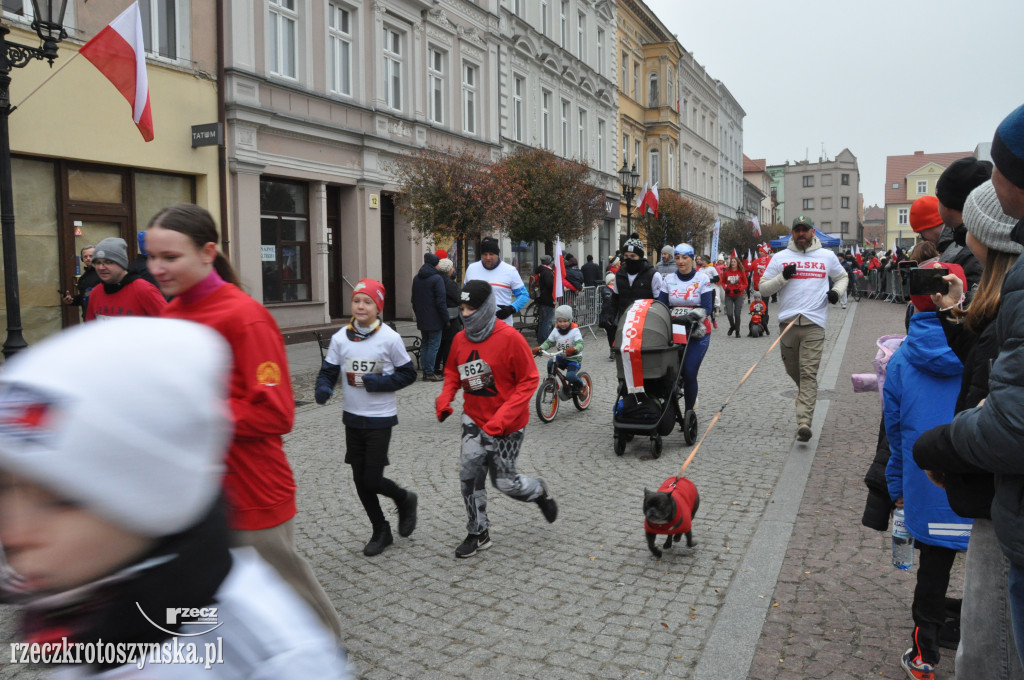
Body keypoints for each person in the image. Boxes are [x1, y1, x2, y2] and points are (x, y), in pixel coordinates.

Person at [0, 318, 350, 678]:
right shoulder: (73, 610)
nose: (13, 534)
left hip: (252, 490)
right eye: (3, 488)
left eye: (60, 497)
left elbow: (274, 410)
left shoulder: (270, 659)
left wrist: (204, 423)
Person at [144, 203, 342, 639]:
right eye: (151, 256)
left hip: (251, 489)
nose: (156, 268)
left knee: (286, 595)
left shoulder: (244, 317)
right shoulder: (172, 314)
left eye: (169, 257)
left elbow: (275, 412)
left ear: (207, 252)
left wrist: (198, 411)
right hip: (195, 492)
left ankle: (326, 659)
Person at [910, 103, 1024, 670]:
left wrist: (942, 447)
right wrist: (957, 316)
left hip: (1003, 494)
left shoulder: (1010, 290)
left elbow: (1007, 414)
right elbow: (985, 366)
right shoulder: (994, 290)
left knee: (989, 652)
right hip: (998, 492)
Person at [884, 264, 970, 680]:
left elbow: (895, 433)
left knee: (933, 571)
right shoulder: (986, 346)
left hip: (929, 482)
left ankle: (925, 654)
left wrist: (897, 488)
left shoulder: (900, 360)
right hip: (982, 480)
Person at [435, 280, 558, 559]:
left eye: (471, 309)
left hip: (509, 425)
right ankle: (479, 532)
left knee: (504, 482)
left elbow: (529, 381)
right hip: (474, 419)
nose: (465, 314)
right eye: (461, 308)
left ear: (486, 308)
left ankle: (538, 491)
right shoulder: (460, 339)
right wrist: (445, 399)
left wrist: (502, 419)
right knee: (468, 476)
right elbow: (454, 372)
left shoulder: (511, 338)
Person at [315, 279, 419, 557]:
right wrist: (323, 388)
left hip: (380, 419)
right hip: (352, 419)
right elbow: (328, 371)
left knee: (372, 479)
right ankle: (380, 529)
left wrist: (380, 383)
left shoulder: (389, 338)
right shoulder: (340, 338)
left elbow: (408, 373)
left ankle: (404, 498)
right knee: (360, 480)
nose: (361, 306)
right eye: (356, 301)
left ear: (378, 307)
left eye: (367, 301)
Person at [757, 215, 848, 442]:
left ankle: (804, 422)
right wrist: (782, 278)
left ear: (812, 232)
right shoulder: (780, 258)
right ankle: (805, 397)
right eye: (797, 230)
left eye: (804, 230)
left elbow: (842, 277)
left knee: (808, 373)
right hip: (788, 324)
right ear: (792, 233)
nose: (801, 234)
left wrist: (836, 293)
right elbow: (763, 289)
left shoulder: (827, 256)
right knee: (793, 371)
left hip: (814, 324)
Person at [658, 243, 713, 412]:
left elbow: (708, 307)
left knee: (689, 372)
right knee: (668, 373)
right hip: (675, 331)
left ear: (692, 258)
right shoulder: (669, 280)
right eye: (677, 258)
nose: (680, 261)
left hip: (697, 332)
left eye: (685, 258)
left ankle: (690, 413)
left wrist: (690, 317)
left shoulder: (702, 279)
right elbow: (661, 304)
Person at [935, 156, 991, 296]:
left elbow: (977, 310)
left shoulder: (975, 247)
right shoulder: (969, 240)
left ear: (947, 204)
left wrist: (950, 308)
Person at [85, 237, 166, 321]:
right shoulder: (96, 293)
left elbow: (170, 325)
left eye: (108, 262)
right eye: (98, 263)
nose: (101, 267)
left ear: (121, 264)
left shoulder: (144, 290)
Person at [464, 236, 530, 325]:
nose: (488, 258)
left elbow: (523, 295)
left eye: (491, 254)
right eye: (485, 254)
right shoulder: (472, 268)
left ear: (497, 254)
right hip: (477, 325)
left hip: (502, 325)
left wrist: (512, 308)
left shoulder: (510, 270)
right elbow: (465, 293)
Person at [411, 252, 448, 381]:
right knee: (433, 345)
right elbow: (441, 302)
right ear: (435, 264)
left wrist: (418, 314)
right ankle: (429, 372)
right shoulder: (437, 279)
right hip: (435, 318)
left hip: (422, 317)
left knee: (425, 344)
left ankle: (426, 371)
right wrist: (445, 318)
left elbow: (413, 300)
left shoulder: (417, 278)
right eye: (438, 263)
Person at [532, 304, 585, 390]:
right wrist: (540, 348)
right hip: (562, 357)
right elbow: (549, 342)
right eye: (560, 321)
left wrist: (575, 349)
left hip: (574, 359)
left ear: (570, 320)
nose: (562, 324)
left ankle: (582, 387)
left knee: (570, 376)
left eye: (565, 321)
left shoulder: (575, 331)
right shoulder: (556, 330)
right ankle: (552, 381)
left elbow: (580, 344)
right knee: (550, 362)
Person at [612, 234, 664, 321]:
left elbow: (659, 303)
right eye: (626, 256)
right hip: (624, 322)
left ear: (640, 257)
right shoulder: (620, 274)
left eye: (633, 256)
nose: (629, 259)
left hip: (646, 323)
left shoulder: (653, 275)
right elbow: (614, 299)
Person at [436, 257, 462, 374]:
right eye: (452, 267)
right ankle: (447, 366)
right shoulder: (449, 283)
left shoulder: (436, 280)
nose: (453, 269)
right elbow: (458, 297)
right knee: (449, 342)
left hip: (438, 316)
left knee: (440, 343)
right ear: (449, 270)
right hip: (451, 316)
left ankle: (436, 366)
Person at [61, 244, 98, 321]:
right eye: (85, 256)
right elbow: (84, 296)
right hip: (88, 318)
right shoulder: (83, 278)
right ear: (82, 259)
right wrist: (71, 300)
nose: (88, 258)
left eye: (91, 256)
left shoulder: (103, 274)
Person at [721, 256, 748, 337]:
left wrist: (740, 289)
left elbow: (746, 283)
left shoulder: (741, 272)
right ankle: (732, 326)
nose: (732, 263)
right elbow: (722, 282)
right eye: (731, 262)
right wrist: (725, 288)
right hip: (729, 295)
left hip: (738, 295)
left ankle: (737, 331)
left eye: (734, 262)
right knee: (729, 314)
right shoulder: (727, 272)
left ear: (737, 263)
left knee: (737, 314)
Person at [533, 254, 556, 343]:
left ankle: (541, 338)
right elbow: (550, 285)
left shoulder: (540, 270)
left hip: (541, 298)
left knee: (543, 321)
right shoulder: (547, 272)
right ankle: (544, 340)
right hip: (547, 299)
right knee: (546, 321)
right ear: (549, 262)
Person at [598, 272, 617, 359]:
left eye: (614, 280)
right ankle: (612, 349)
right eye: (611, 280)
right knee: (611, 334)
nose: (613, 282)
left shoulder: (617, 289)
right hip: (608, 316)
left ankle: (615, 349)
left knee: (616, 333)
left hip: (616, 315)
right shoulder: (606, 290)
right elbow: (608, 297)